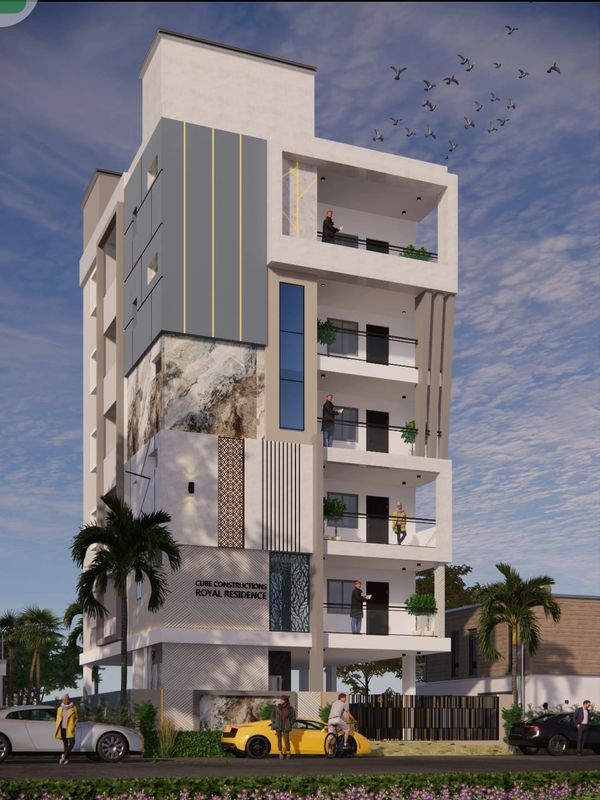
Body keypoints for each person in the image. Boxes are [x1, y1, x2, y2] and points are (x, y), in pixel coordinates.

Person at [270, 695, 296, 759]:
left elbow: (293, 717)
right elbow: (272, 716)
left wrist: (290, 723)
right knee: (279, 740)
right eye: (280, 699)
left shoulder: (290, 708)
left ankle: (288, 753)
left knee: (287, 740)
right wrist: (275, 722)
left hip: (286, 726)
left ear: (285, 700)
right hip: (278, 726)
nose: (280, 700)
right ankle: (280, 753)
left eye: (282, 699)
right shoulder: (276, 708)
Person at [55, 693, 78, 765]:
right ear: (62, 700)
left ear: (69, 699)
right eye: (64, 699)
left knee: (72, 743)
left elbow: (76, 718)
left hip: (70, 728)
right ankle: (66, 759)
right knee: (65, 744)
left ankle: (64, 756)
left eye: (67, 699)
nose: (66, 701)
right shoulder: (59, 709)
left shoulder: (73, 708)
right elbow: (58, 719)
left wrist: (74, 725)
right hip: (62, 728)